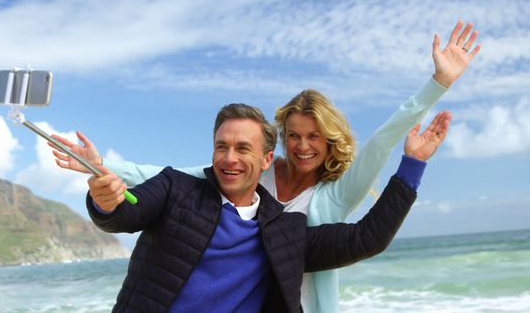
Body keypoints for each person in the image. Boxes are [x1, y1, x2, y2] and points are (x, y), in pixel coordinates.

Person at [49, 20, 479, 312]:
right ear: (279, 145)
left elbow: (379, 167)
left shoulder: (309, 212)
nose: (304, 146)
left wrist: (430, 106)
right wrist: (102, 174)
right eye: (294, 135)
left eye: (314, 137)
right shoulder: (213, 179)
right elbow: (148, 191)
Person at [86, 103, 448, 312]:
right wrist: (105, 203)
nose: (230, 158)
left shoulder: (284, 231)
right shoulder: (175, 188)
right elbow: (125, 213)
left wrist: (413, 164)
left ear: (265, 160)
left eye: (243, 149)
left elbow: (368, 237)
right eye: (221, 146)